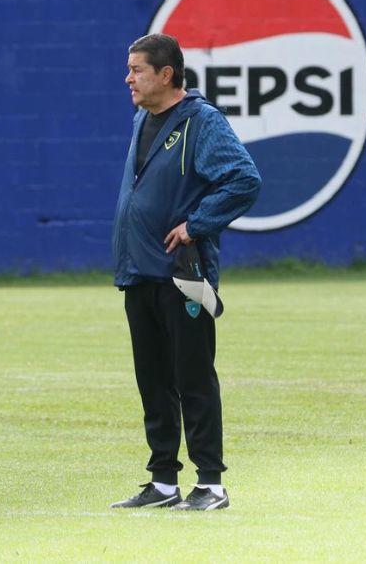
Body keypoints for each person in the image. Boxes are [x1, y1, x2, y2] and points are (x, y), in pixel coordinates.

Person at [110, 34, 261, 511]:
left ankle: (211, 484)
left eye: (136, 69)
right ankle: (163, 482)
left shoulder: (202, 121)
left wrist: (197, 224)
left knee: (192, 377)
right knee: (153, 380)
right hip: (139, 271)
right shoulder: (143, 118)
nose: (128, 78)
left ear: (166, 74)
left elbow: (243, 179)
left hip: (182, 274)